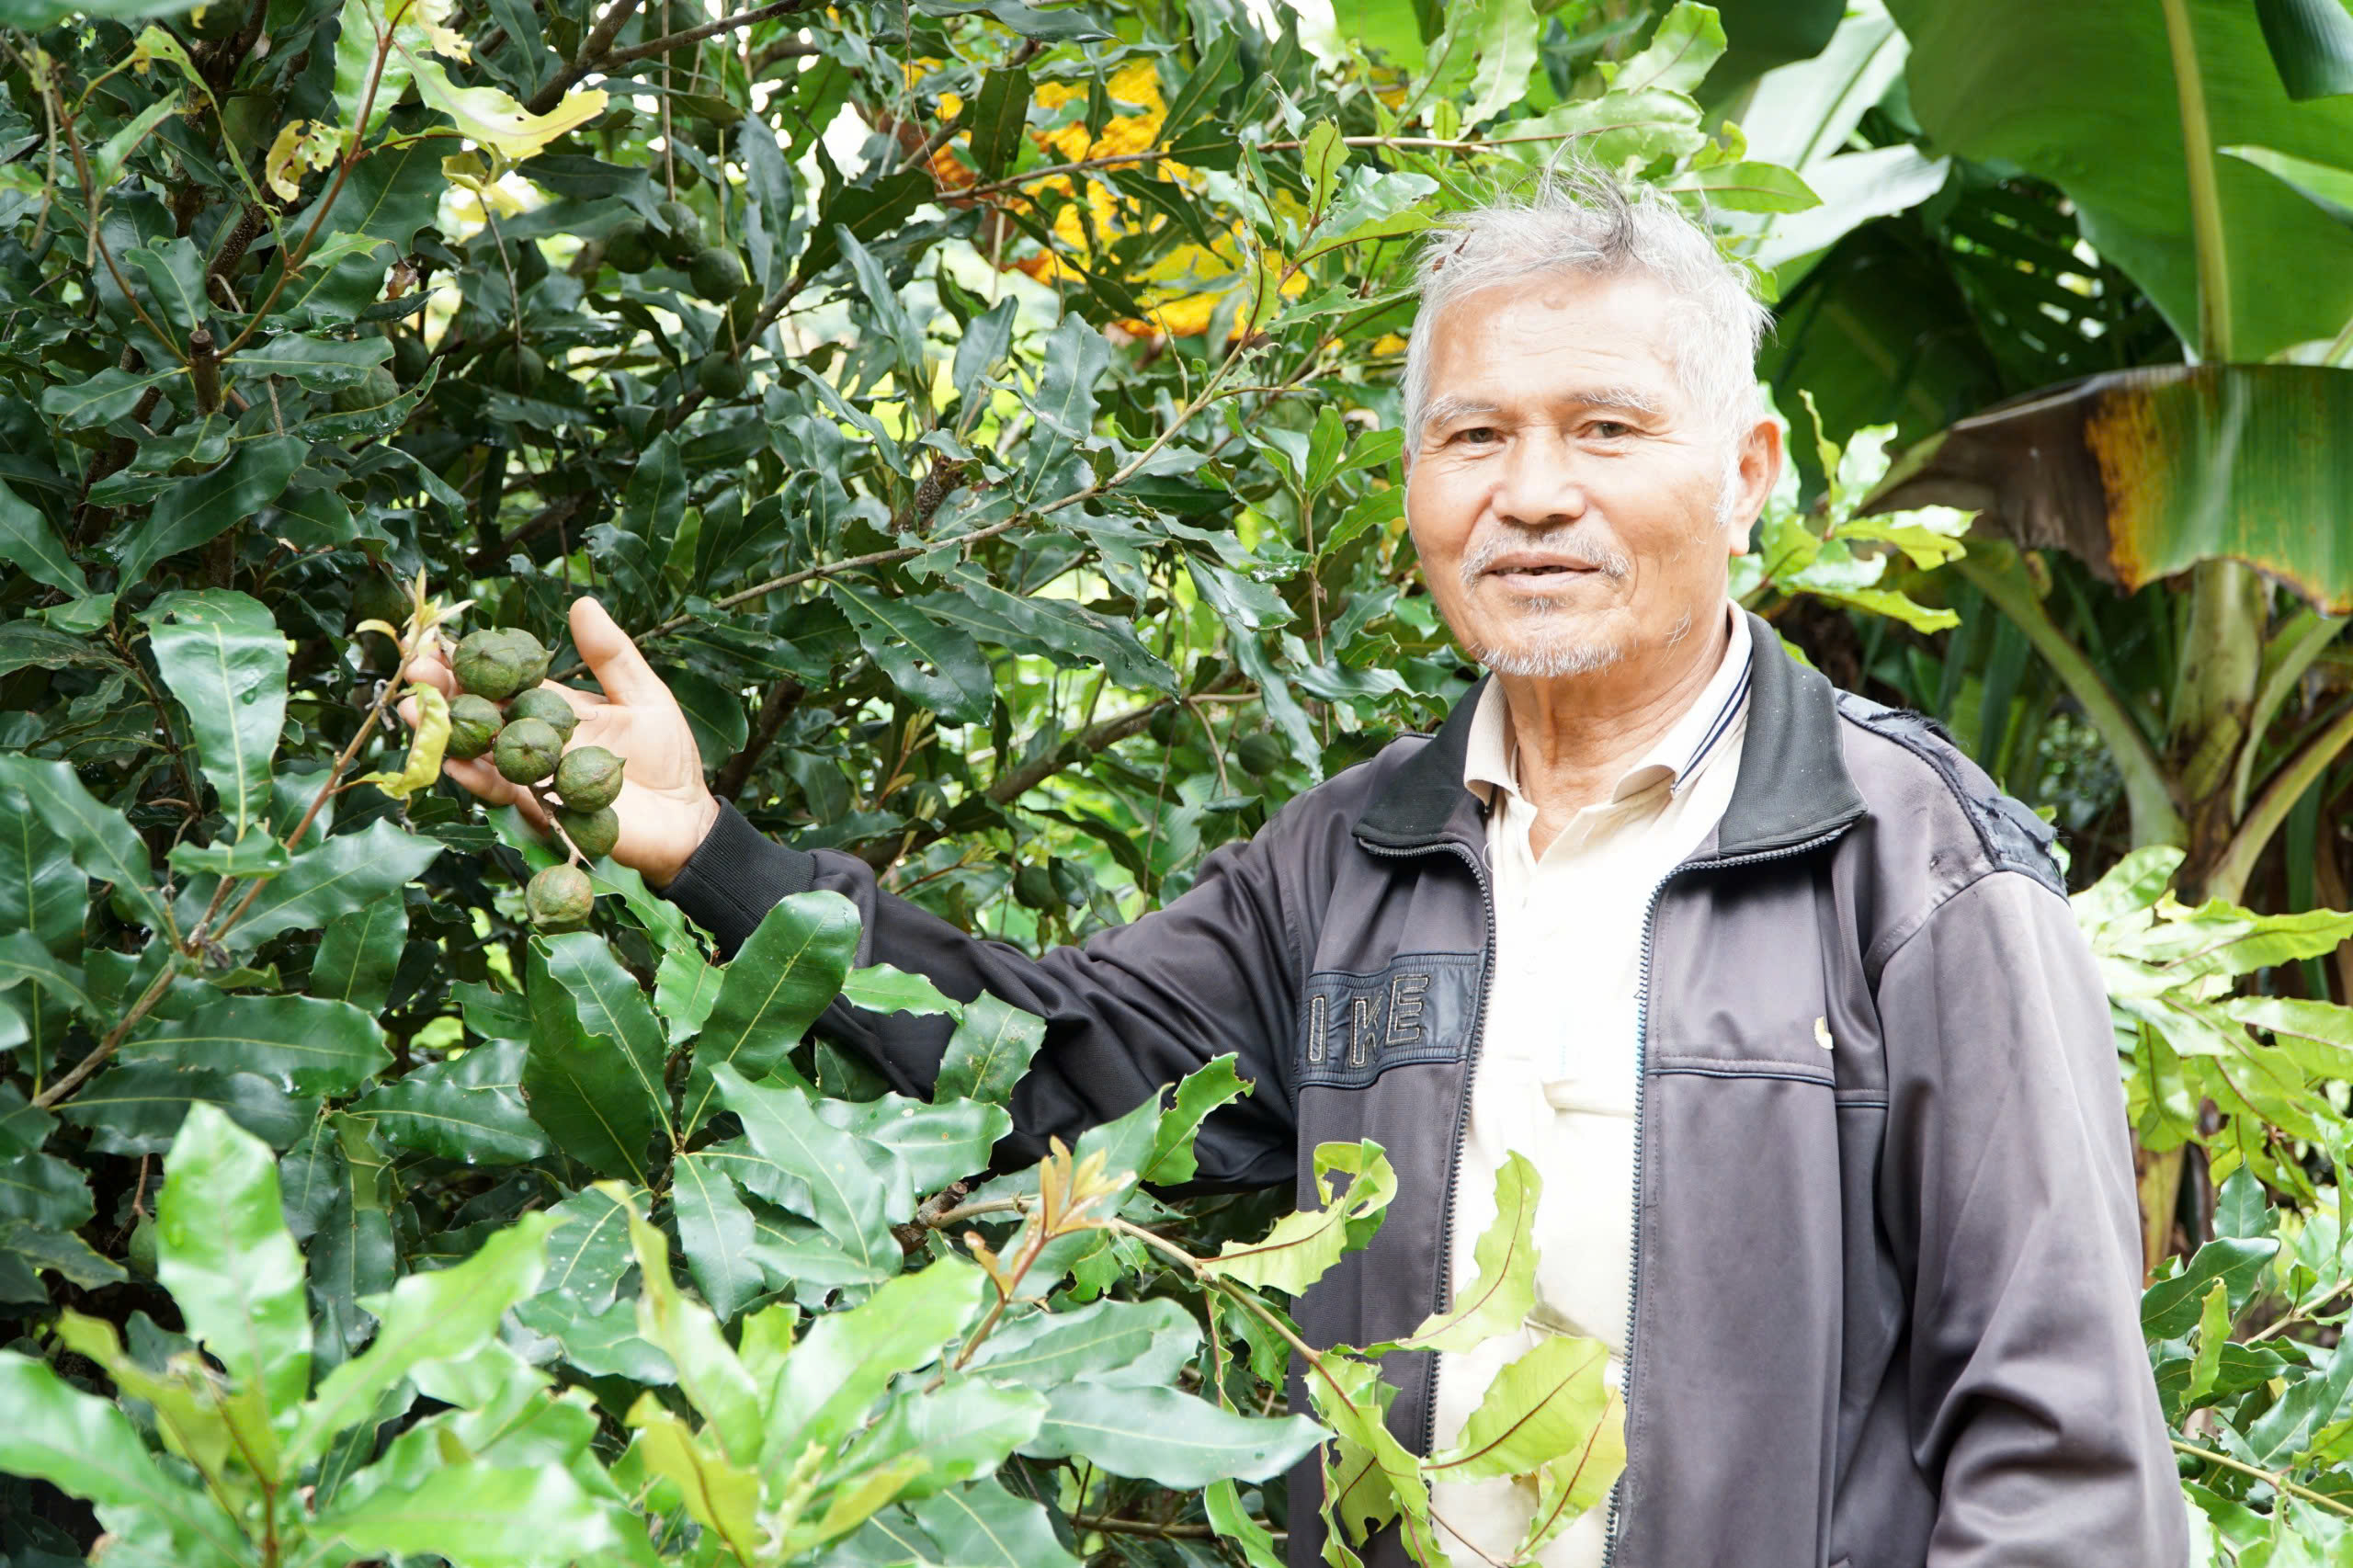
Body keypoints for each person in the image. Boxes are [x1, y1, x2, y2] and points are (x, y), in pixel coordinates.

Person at [404, 171, 2188, 1568]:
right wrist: (704, 849)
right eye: (1472, 435)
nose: (1531, 491)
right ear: (1415, 481)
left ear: (1741, 477)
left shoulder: (1918, 876)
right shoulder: (1345, 865)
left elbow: (2057, 1448)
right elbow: (1038, 1066)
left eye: (1604, 430)